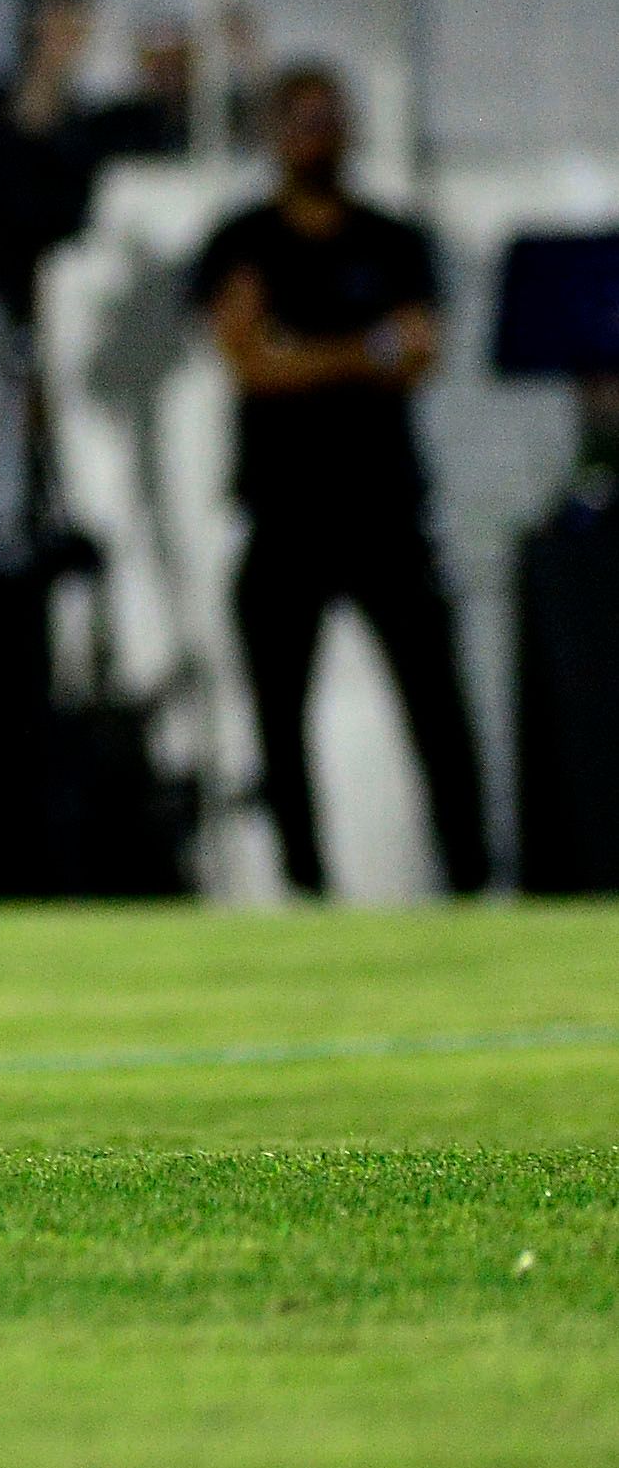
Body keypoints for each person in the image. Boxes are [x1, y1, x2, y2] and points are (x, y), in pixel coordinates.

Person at [191, 65, 493, 898]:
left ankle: (471, 878)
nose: (315, 135)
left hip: (382, 508)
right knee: (277, 718)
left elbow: (418, 353)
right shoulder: (241, 240)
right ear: (271, 132)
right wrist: (360, 352)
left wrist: (301, 351)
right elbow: (247, 362)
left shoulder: (392, 238)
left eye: (328, 118)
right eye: (298, 119)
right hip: (282, 511)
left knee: (435, 705)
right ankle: (304, 887)